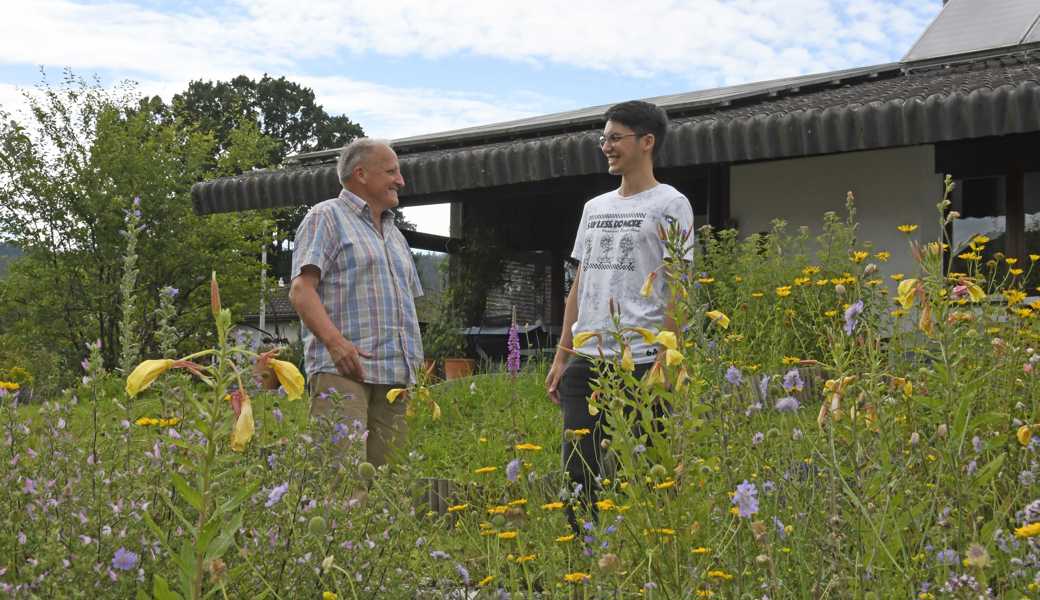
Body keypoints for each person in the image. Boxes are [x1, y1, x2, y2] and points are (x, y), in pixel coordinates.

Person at [544, 100, 693, 525]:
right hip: (588, 359)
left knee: (647, 470)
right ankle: (583, 557)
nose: (606, 146)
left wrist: (667, 355)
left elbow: (679, 283)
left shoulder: (670, 203)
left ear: (647, 142)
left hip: (643, 360)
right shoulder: (595, 207)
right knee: (579, 469)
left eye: (615, 138)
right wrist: (562, 354)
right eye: (603, 138)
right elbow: (581, 281)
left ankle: (650, 558)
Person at [289, 138, 423, 468]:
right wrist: (336, 345)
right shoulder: (326, 217)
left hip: (395, 378)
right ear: (361, 174)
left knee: (390, 488)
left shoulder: (396, 235)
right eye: (391, 171)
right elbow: (301, 291)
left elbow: (408, 306)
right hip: (344, 373)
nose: (400, 180)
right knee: (343, 484)